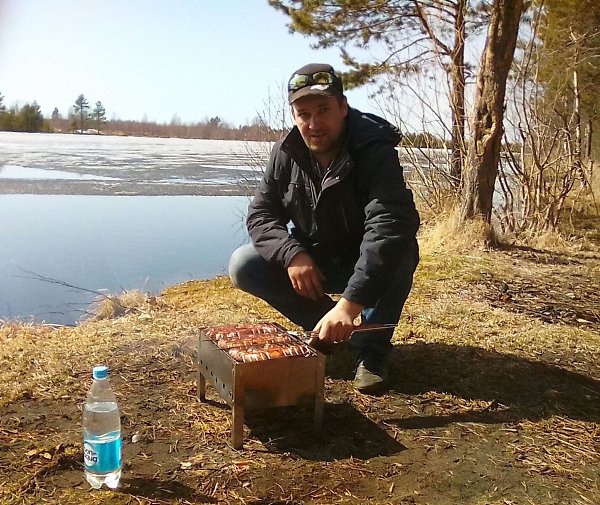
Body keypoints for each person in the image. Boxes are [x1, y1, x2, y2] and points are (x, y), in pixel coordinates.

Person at [229, 63, 420, 394]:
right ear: (293, 115)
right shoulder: (285, 153)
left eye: (323, 111)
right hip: (316, 259)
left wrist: (349, 305)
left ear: (343, 108)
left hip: (364, 262)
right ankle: (328, 331)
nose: (314, 124)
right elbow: (261, 214)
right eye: (303, 114)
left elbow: (389, 225)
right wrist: (292, 254)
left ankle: (371, 352)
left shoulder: (375, 150)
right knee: (243, 264)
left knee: (401, 252)